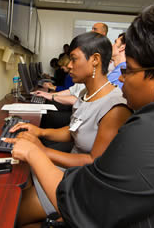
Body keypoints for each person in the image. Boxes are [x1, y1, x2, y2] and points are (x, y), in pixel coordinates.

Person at [6, 0, 154, 227]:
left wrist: (35, 152)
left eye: (128, 71)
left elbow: (82, 207)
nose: (122, 80)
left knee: (7, 212)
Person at [7, 32, 131, 226]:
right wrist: (39, 132)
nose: (69, 66)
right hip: (68, 171)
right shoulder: (85, 93)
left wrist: (41, 151)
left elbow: (93, 161)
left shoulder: (115, 107)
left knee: (8, 213)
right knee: (15, 183)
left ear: (95, 60)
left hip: (83, 183)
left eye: (74, 59)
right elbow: (74, 130)